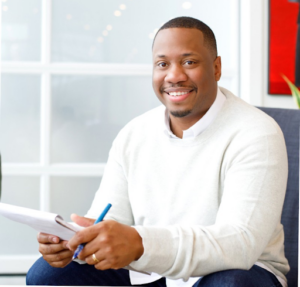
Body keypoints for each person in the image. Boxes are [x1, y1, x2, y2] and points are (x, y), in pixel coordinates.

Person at [26, 16, 289, 287]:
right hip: (150, 269)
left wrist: (141, 244)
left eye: (189, 62)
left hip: (236, 270)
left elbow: (239, 244)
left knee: (230, 283)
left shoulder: (256, 132)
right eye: (162, 64)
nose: (173, 76)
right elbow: (112, 218)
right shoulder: (134, 133)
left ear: (216, 67)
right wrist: (79, 240)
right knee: (47, 275)